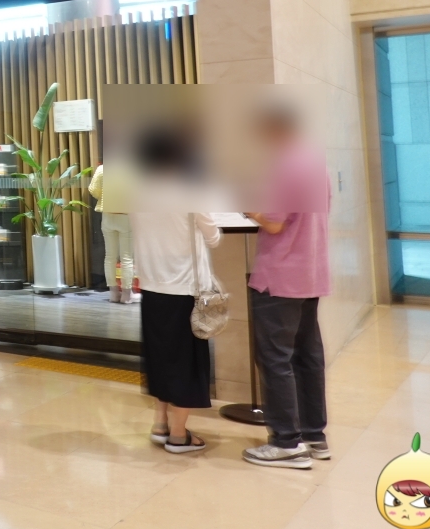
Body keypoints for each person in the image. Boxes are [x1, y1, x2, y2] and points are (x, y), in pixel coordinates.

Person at [242, 106, 331, 470]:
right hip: (310, 272)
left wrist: (249, 208)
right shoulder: (314, 160)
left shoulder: (284, 164)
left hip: (279, 276)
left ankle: (285, 443)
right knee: (307, 356)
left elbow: (274, 222)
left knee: (275, 358)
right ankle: (314, 435)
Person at [129, 126, 223, 454]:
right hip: (183, 288)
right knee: (186, 362)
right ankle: (179, 435)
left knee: (160, 358)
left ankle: (160, 424)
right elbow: (213, 236)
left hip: (152, 286)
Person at [89, 162, 135, 303]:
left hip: (107, 215)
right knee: (126, 257)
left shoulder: (102, 169)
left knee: (110, 256)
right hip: (126, 216)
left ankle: (113, 293)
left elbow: (93, 190)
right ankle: (127, 295)